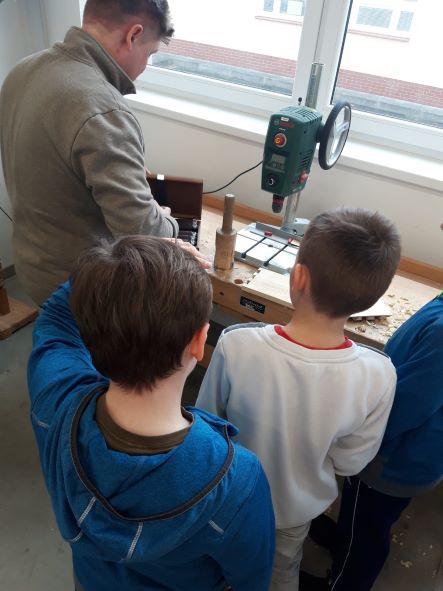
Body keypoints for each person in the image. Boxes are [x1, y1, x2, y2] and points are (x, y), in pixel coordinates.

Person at [27, 236, 275, 591]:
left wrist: (119, 267)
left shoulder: (55, 400)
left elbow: (55, 317)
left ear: (90, 332)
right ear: (199, 342)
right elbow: (251, 581)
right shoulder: (237, 481)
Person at [196, 207, 402, 591]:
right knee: (281, 573)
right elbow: (350, 461)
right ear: (371, 300)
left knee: (220, 566)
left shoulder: (237, 345)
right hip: (294, 513)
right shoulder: (379, 374)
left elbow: (207, 426)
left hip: (231, 501)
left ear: (298, 277)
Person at [0, 0, 179, 305]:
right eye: (150, 54)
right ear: (133, 35)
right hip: (82, 288)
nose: (145, 66)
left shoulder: (23, 70)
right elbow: (146, 234)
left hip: (33, 268)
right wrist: (166, 221)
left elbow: (54, 169)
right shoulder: (103, 108)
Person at [305, 266, 443, 590]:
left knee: (367, 531)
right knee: (360, 516)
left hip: (392, 460)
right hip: (398, 449)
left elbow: (408, 406)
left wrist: (360, 439)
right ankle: (344, 538)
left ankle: (343, 581)